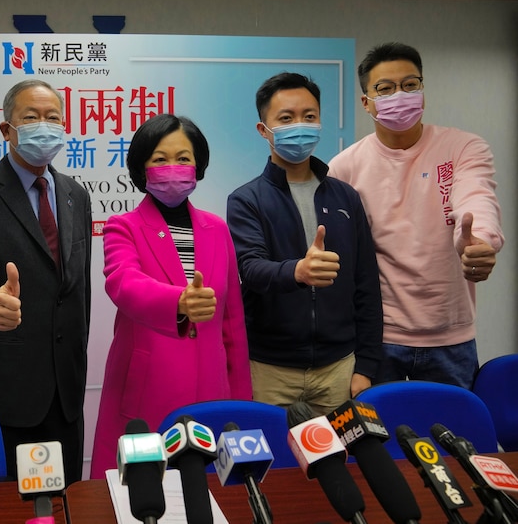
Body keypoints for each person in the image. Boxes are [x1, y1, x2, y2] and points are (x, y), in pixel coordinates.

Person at [329, 43, 503, 390]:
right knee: (381, 441)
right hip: (379, 337)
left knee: (456, 439)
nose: (400, 95)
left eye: (410, 85)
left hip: (450, 336)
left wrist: (480, 241)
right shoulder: (344, 167)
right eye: (385, 88)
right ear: (367, 102)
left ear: (423, 91)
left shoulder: (463, 147)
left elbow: (475, 197)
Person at [0, 79, 92, 484]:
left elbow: (79, 293)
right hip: (4, 391)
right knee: (2, 508)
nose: (44, 126)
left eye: (53, 117)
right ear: (7, 130)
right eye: (31, 117)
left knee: (65, 503)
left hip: (65, 394)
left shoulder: (77, 195)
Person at [90, 114, 252, 478]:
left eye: (183, 158)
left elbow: (233, 324)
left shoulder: (218, 228)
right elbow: (123, 282)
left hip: (212, 390)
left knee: (209, 495)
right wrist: (178, 301)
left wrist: (240, 402)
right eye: (160, 159)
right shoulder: (123, 226)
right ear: (142, 167)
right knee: (141, 493)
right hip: (148, 388)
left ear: (199, 165)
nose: (173, 168)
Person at [226, 72, 383, 416]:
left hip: (338, 366)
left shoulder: (346, 197)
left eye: (309, 116)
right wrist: (298, 271)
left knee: (342, 464)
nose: (300, 125)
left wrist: (366, 364)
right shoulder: (246, 200)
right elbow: (250, 269)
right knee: (273, 464)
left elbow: (366, 284)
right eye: (286, 118)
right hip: (269, 367)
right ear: (263, 130)